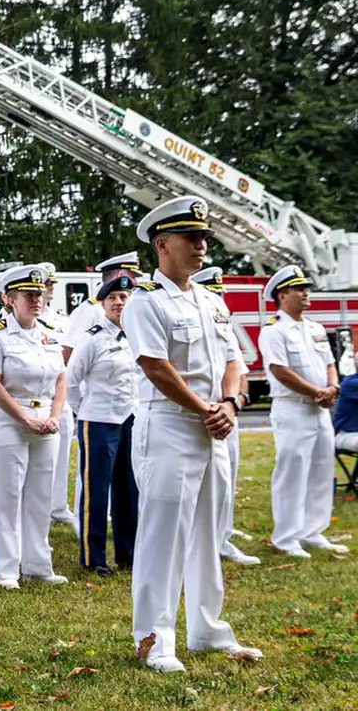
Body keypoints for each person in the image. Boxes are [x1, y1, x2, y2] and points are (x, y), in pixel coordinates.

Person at [123, 196, 261, 672]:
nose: (202, 245)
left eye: (204, 237)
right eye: (192, 238)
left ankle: (207, 630)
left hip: (212, 427)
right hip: (170, 426)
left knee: (208, 533)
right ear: (162, 244)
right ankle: (155, 640)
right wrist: (207, 408)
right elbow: (155, 367)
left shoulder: (212, 301)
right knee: (164, 537)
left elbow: (231, 362)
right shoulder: (145, 301)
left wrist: (229, 402)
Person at [0, 264, 68, 590]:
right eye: (28, 294)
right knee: (7, 499)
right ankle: (6, 570)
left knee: (40, 497)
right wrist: (24, 418)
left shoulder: (48, 332)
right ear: (9, 299)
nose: (36, 299)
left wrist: (55, 416)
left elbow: (60, 378)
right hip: (8, 423)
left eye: (39, 294)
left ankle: (38, 565)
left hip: (45, 422)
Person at [258, 265, 347, 558]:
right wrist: (317, 392)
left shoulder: (315, 328)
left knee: (321, 469)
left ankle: (313, 530)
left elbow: (330, 364)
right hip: (293, 409)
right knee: (292, 472)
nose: (306, 293)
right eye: (299, 289)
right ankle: (286, 536)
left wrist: (332, 388)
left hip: (320, 409)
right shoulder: (274, 330)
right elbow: (279, 371)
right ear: (283, 295)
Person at [65, 275, 138, 576]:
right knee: (97, 491)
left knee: (128, 489)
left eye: (124, 298)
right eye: (114, 299)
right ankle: (94, 557)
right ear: (103, 304)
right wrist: (83, 413)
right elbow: (71, 381)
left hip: (128, 419)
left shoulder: (137, 335)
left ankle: (128, 553)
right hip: (97, 421)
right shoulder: (92, 338)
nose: (120, 303)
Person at [191, 267, 259, 566]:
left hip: (228, 414)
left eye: (220, 295)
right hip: (199, 415)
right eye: (213, 293)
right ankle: (200, 542)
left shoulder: (224, 327)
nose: (218, 300)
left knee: (226, 480)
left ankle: (223, 536)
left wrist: (234, 403)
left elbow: (240, 373)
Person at [36, 264, 78, 527]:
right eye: (46, 283)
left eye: (52, 282)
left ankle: (58, 505)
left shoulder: (63, 320)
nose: (51, 286)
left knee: (61, 453)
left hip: (60, 395)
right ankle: (40, 508)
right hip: (37, 394)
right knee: (40, 458)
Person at [62, 252, 142, 360]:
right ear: (121, 277)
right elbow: (68, 350)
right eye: (133, 277)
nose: (136, 282)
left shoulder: (127, 307)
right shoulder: (91, 309)